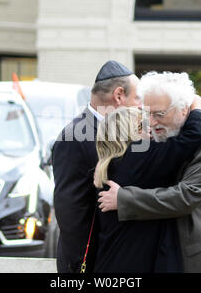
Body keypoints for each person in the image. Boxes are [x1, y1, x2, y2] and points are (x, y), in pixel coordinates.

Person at [98, 72, 201, 273]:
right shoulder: (171, 129)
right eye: (147, 113)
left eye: (159, 114)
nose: (151, 122)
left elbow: (187, 196)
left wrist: (125, 199)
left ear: (183, 110)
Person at [93, 78, 201, 272]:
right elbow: (192, 137)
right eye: (141, 126)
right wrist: (196, 106)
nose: (150, 128)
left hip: (108, 262)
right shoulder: (138, 157)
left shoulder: (106, 167)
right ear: (127, 135)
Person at [52, 60, 141, 273]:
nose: (140, 104)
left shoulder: (124, 129)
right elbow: (70, 213)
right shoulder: (74, 137)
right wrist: (83, 266)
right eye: (137, 97)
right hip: (87, 264)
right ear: (119, 95)